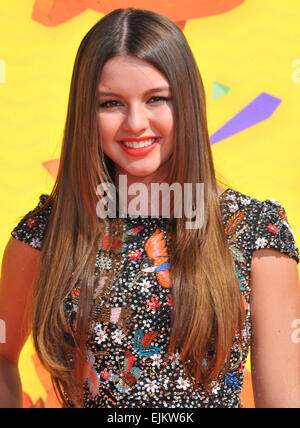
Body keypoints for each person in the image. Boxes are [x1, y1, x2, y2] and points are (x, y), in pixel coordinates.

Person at [0, 8, 300, 409]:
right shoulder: (47, 232)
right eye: (111, 104)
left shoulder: (254, 231)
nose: (136, 123)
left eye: (157, 98)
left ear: (188, 104)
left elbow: (283, 400)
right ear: (86, 112)